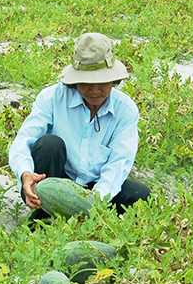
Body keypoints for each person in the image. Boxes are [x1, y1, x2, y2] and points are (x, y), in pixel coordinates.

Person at [10, 32, 151, 221]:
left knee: (139, 194)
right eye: (86, 83)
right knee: (49, 144)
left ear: (113, 80)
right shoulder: (51, 98)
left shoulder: (125, 110)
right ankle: (44, 216)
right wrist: (25, 174)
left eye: (101, 83)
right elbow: (22, 141)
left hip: (95, 186)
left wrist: (93, 203)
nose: (94, 90)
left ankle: (86, 221)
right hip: (55, 179)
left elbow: (118, 163)